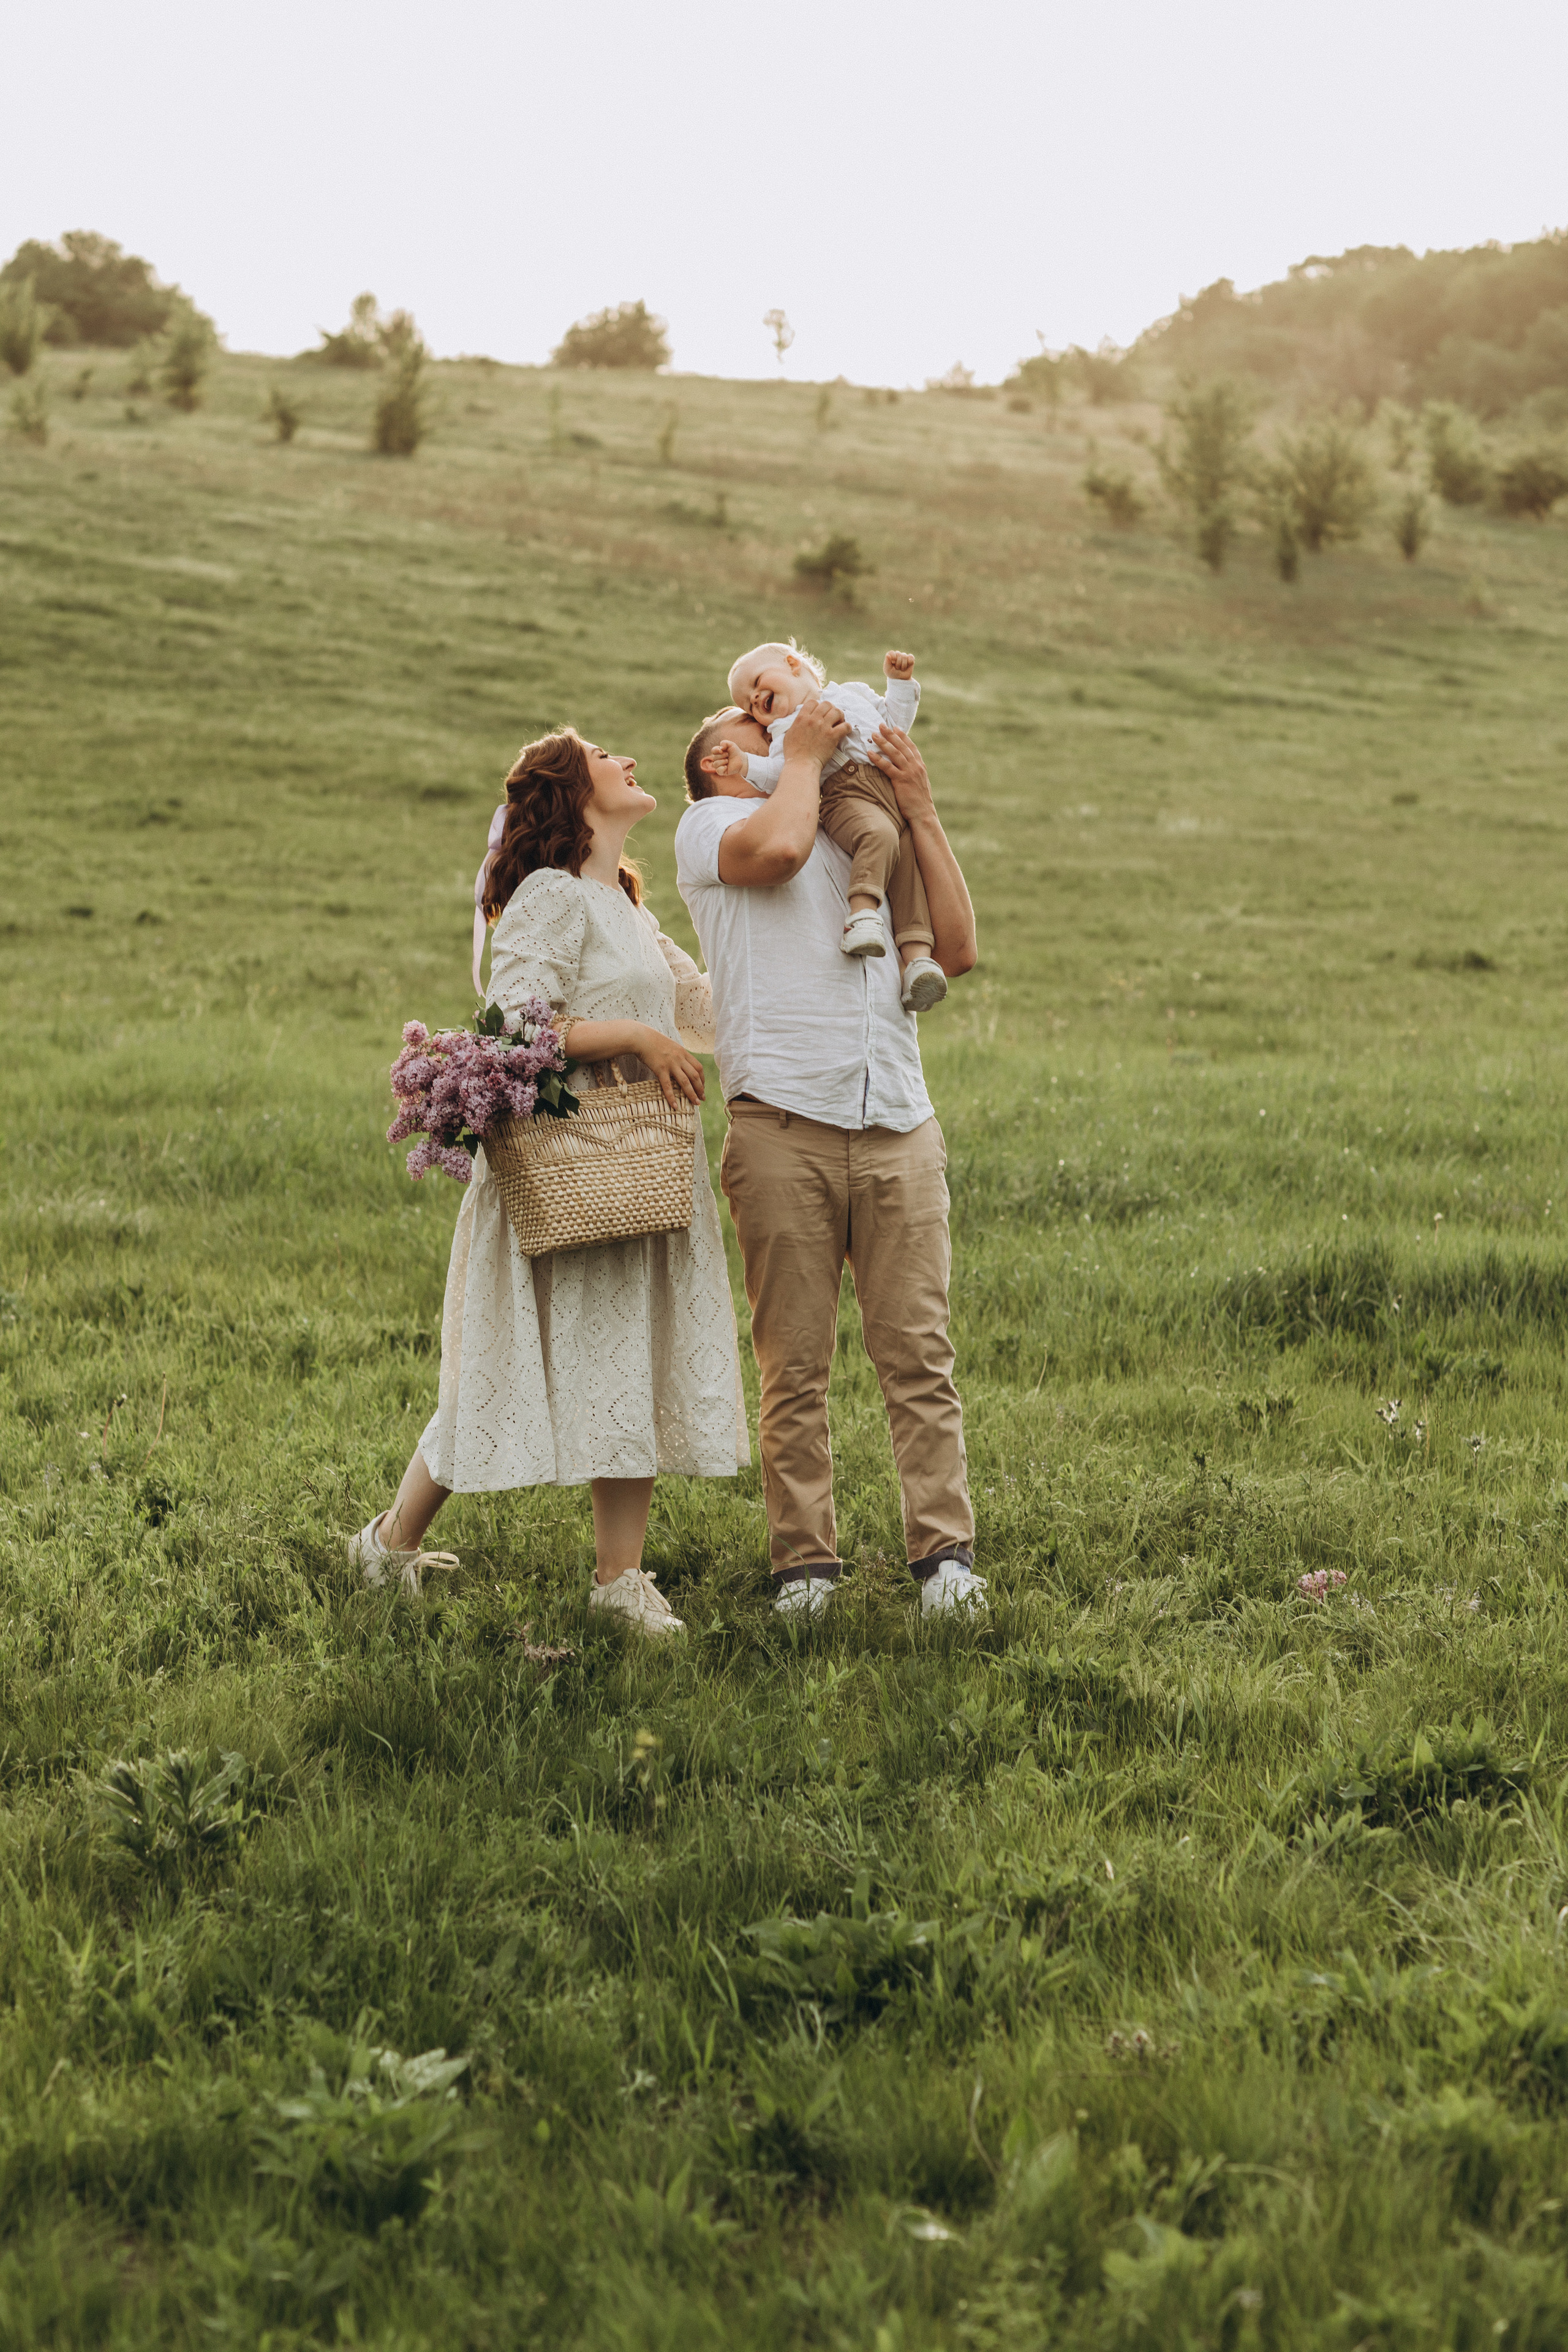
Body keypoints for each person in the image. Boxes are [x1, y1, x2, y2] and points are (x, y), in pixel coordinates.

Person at [351, 728, 749, 1634]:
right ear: (574, 795)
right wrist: (638, 1040)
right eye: (609, 756)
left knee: (628, 1363)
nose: (632, 762)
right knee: (501, 1372)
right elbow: (512, 1026)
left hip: (642, 1166)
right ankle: (386, 1545)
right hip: (569, 1168)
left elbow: (706, 1012)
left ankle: (619, 1584)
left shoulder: (629, 909)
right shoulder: (550, 895)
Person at [674, 693, 984, 1621]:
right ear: (722, 768)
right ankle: (805, 1570)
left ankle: (946, 1560)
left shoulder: (857, 820)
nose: (776, 736)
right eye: (751, 739)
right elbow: (779, 853)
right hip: (781, 1127)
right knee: (794, 1366)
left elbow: (959, 948)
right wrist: (803, 752)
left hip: (897, 1117)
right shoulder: (715, 828)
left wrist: (918, 806)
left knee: (919, 1356)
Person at [707, 640, 946, 1012]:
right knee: (877, 836)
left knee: (909, 872)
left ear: (793, 664)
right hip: (845, 797)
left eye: (756, 683)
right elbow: (780, 775)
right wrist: (745, 765)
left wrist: (899, 683)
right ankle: (861, 916)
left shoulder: (853, 693)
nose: (754, 700)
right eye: (747, 706)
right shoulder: (787, 731)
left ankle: (918, 965)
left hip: (892, 798)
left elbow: (894, 722)